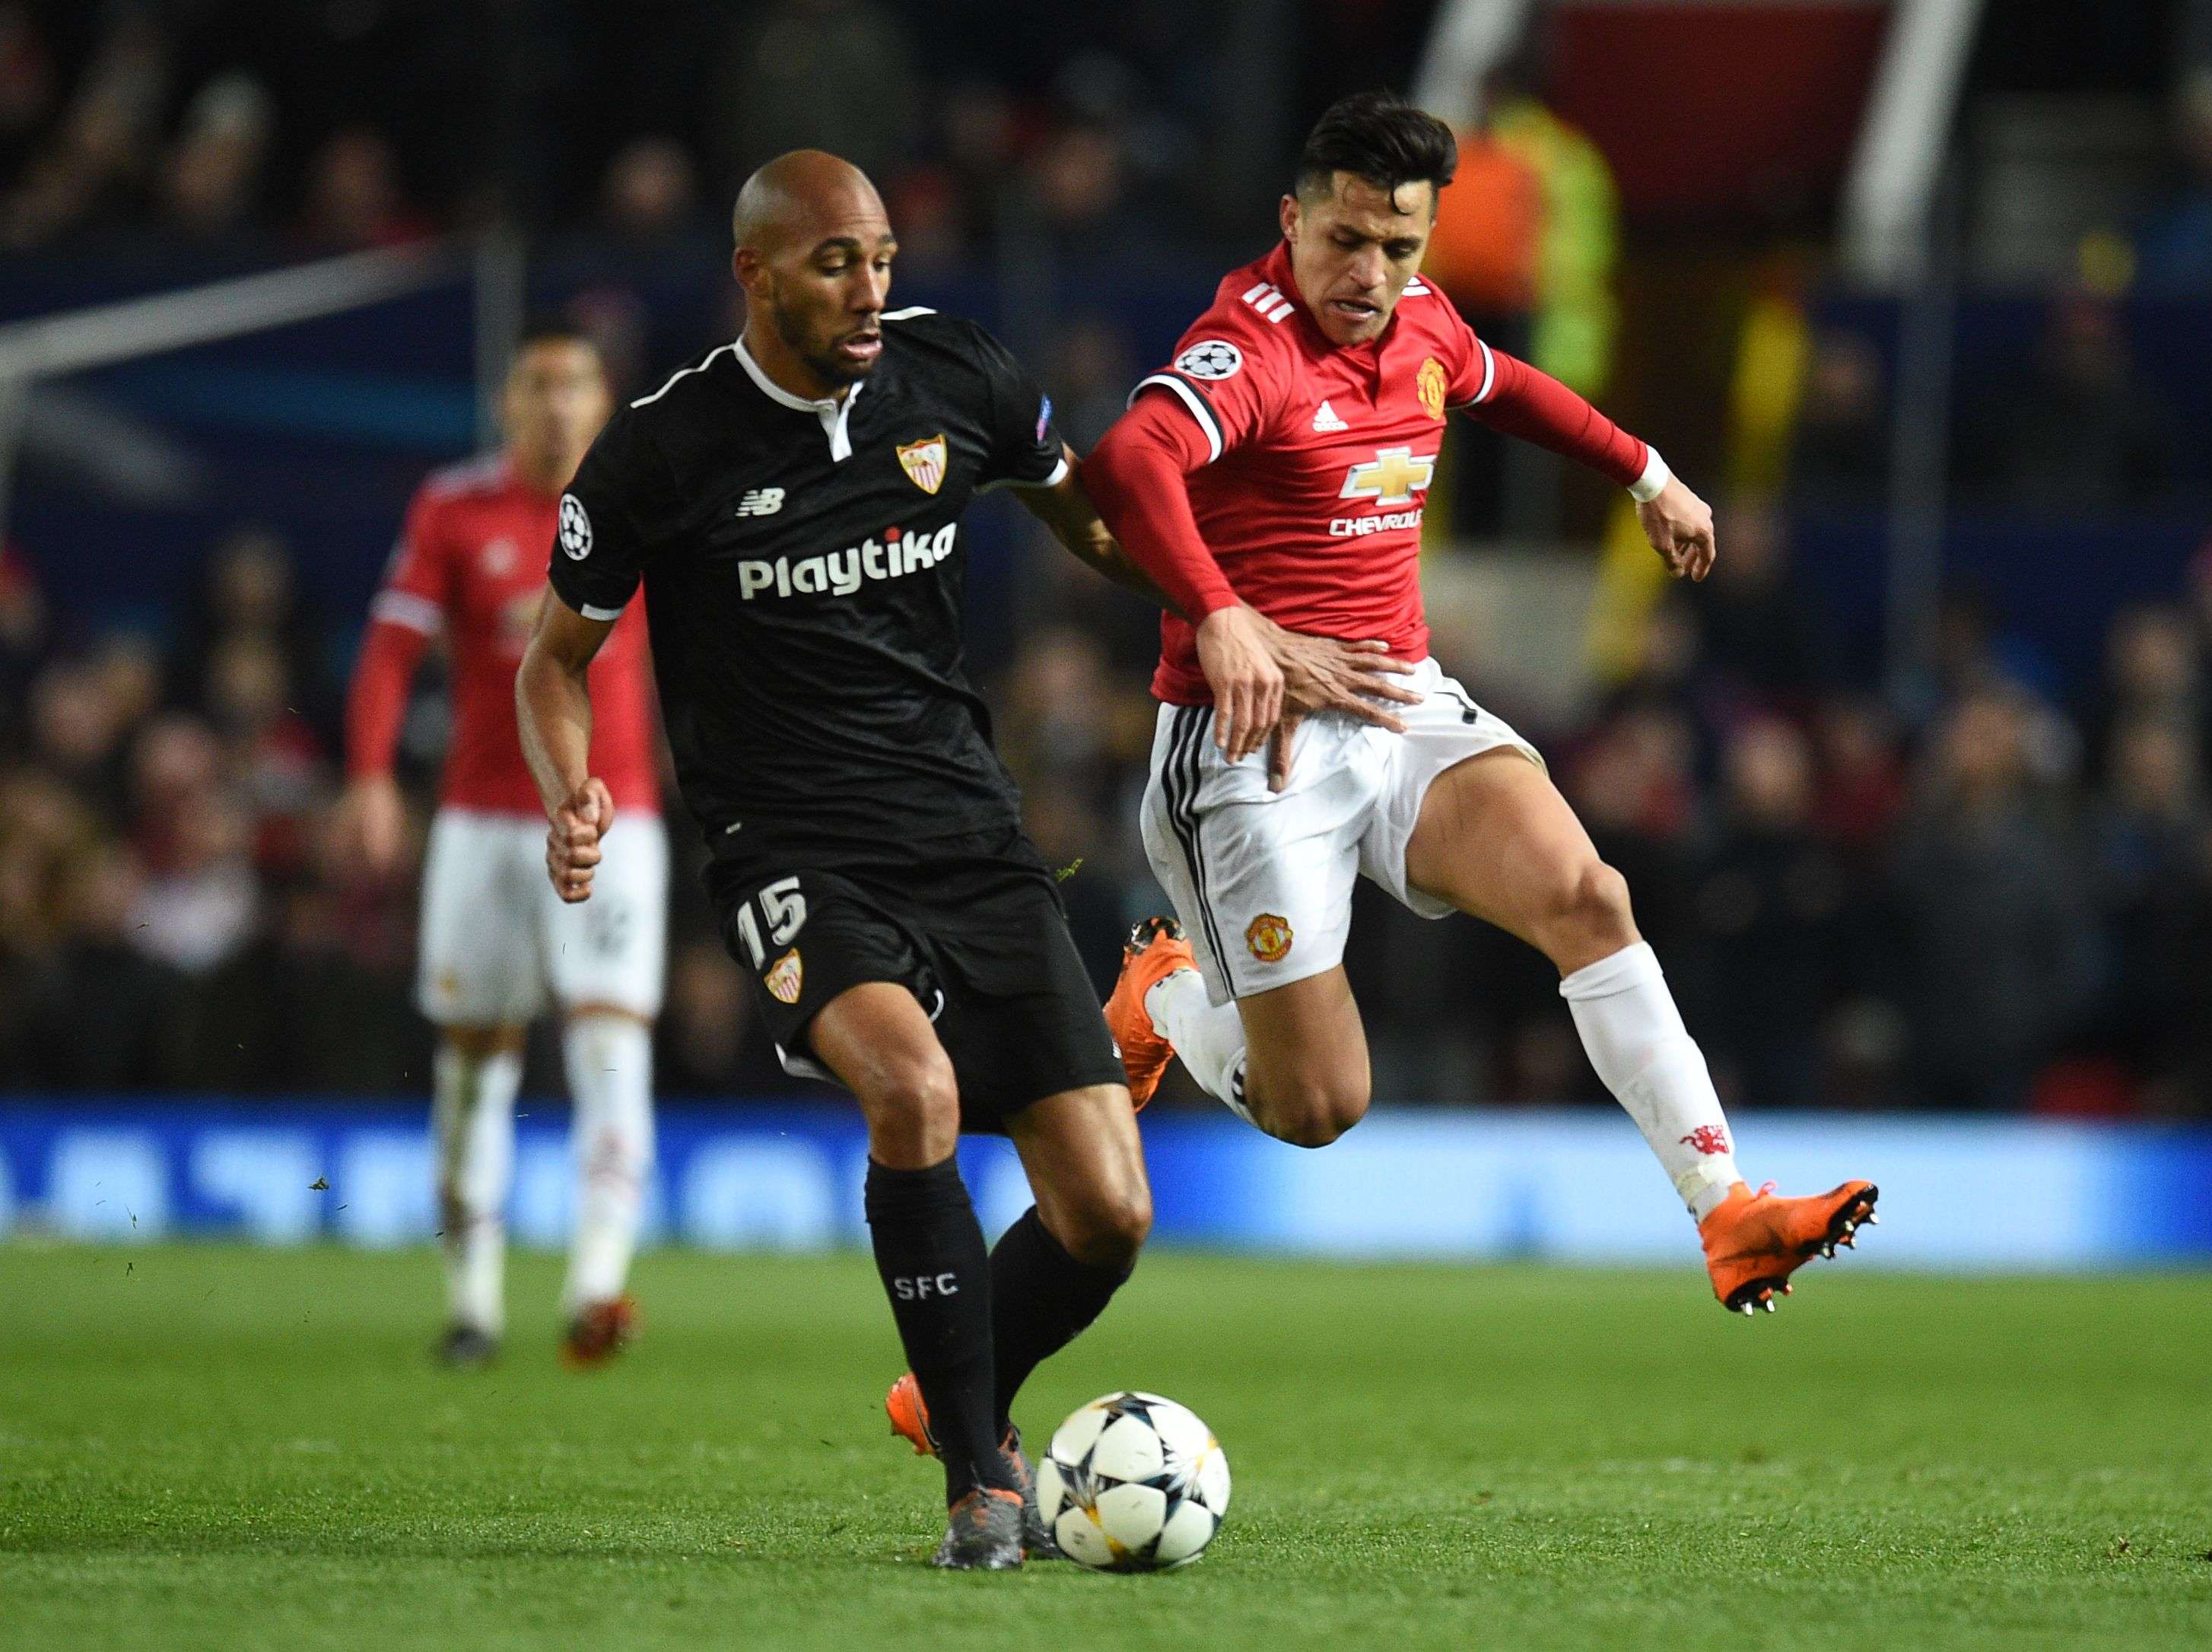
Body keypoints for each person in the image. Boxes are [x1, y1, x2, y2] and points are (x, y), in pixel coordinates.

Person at [515, 151, 1411, 1568]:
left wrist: (1244, 618)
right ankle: (981, 1481)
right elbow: (554, 663)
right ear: (753, 273)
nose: (872, 289)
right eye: (834, 264)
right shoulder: (661, 450)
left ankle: (949, 1405)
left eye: (881, 257)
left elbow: (1099, 529)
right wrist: (572, 788)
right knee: (912, 1088)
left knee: (1110, 1212)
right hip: (789, 843)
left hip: (968, 830)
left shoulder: (957, 379)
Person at [1080, 92, 1874, 1316]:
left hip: (1401, 706)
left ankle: (1728, 1214)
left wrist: (1647, 474)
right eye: (1345, 239)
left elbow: (1509, 389)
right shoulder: (1251, 350)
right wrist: (1227, 615)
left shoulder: (1425, 326)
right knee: (1318, 1107)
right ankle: (1168, 996)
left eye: (1400, 248)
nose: (1370, 273)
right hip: (1252, 751)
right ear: (1292, 222)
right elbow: (1131, 461)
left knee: (1588, 894)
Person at [338, 319, 666, 1371]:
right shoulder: (454, 506)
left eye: (576, 384)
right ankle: (473, 1305)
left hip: (617, 817)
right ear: (508, 404)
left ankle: (596, 1289)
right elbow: (389, 653)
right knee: (475, 1068)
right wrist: (371, 777)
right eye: (538, 385)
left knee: (612, 1047)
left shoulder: (646, 499)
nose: (558, 404)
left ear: (604, 402)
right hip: (481, 823)